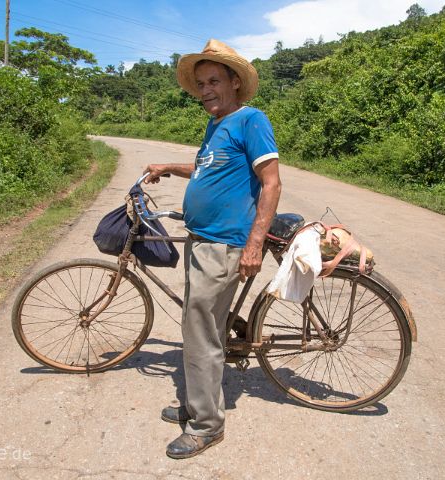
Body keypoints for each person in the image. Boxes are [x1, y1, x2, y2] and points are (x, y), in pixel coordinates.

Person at [143, 39, 282, 459]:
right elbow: (206, 167)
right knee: (201, 327)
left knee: (200, 333)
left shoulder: (250, 120)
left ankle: (206, 424)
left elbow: (272, 183)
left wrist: (255, 243)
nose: (205, 90)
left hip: (225, 245)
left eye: (214, 81)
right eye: (200, 83)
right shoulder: (216, 125)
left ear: (235, 82)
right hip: (202, 242)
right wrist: (169, 166)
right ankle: (200, 401)